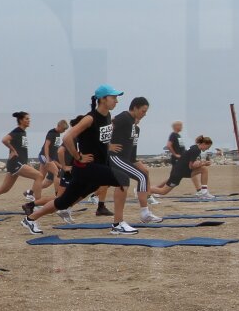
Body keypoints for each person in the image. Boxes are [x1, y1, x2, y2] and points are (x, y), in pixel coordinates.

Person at [22, 85, 127, 234]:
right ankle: (118, 225)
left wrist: (109, 147)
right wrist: (78, 156)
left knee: (63, 202)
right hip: (87, 168)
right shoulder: (90, 118)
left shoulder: (107, 117)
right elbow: (67, 137)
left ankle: (30, 219)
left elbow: (99, 140)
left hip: (94, 169)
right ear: (103, 99)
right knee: (122, 180)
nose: (116, 101)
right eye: (114, 97)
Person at [0, 112, 52, 213]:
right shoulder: (17, 131)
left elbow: (22, 150)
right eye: (26, 119)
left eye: (29, 119)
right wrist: (13, 150)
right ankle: (36, 204)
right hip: (15, 163)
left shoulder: (23, 132)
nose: (29, 121)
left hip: (19, 163)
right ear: (21, 120)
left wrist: (25, 162)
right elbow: (5, 140)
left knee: (4, 188)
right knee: (39, 176)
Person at [107, 97, 162, 225]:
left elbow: (131, 148)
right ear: (135, 108)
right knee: (141, 176)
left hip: (124, 159)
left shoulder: (132, 123)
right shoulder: (124, 117)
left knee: (139, 176)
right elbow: (106, 128)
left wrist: (134, 161)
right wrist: (108, 145)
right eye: (143, 111)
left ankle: (66, 206)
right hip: (115, 157)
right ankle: (144, 214)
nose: (145, 114)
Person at [38, 119, 68, 196]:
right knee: (57, 173)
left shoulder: (58, 134)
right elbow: (46, 146)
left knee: (46, 179)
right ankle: (58, 195)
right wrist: (47, 158)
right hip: (44, 156)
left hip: (51, 159)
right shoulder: (52, 133)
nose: (64, 131)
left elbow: (55, 149)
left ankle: (31, 192)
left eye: (65, 130)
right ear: (58, 126)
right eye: (63, 129)